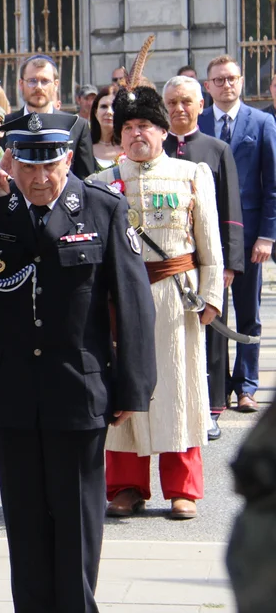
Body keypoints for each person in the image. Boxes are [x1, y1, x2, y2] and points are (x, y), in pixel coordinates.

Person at [0, 110, 157, 613]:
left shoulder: (100, 208)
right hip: (12, 392)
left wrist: (133, 388)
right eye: (26, 166)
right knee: (25, 524)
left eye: (48, 165)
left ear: (67, 159)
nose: (38, 178)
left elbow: (135, 304)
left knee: (75, 523)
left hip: (78, 388)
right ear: (13, 162)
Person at [91, 85, 223, 521]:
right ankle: (126, 485)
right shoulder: (101, 182)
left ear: (163, 130)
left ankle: (182, 488)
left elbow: (209, 242)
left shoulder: (191, 175)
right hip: (121, 302)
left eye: (144, 125)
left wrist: (211, 297)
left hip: (175, 298)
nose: (135, 134)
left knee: (178, 390)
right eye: (127, 127)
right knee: (127, 391)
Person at [162, 75, 245, 442]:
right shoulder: (155, 147)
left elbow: (230, 210)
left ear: (200, 106)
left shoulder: (216, 149)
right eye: (172, 103)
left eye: (186, 102)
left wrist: (229, 263)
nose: (179, 109)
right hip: (166, 265)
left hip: (207, 263)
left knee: (210, 334)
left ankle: (211, 408)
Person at [199, 54, 276, 413]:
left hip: (248, 237)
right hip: (205, 235)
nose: (226, 85)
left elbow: (272, 185)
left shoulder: (261, 122)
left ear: (242, 81)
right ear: (207, 86)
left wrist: (267, 235)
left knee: (249, 312)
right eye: (219, 80)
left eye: (232, 78)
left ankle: (246, 385)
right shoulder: (197, 124)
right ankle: (216, 387)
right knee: (211, 311)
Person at [2, 54, 96, 178]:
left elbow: (85, 179)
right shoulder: (5, 125)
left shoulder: (77, 126)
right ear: (21, 84)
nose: (38, 87)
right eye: (32, 81)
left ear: (56, 85)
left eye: (45, 81)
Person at [89, 84, 123, 171]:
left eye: (114, 107)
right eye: (104, 106)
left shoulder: (130, 148)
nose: (109, 112)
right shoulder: (84, 147)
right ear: (95, 112)